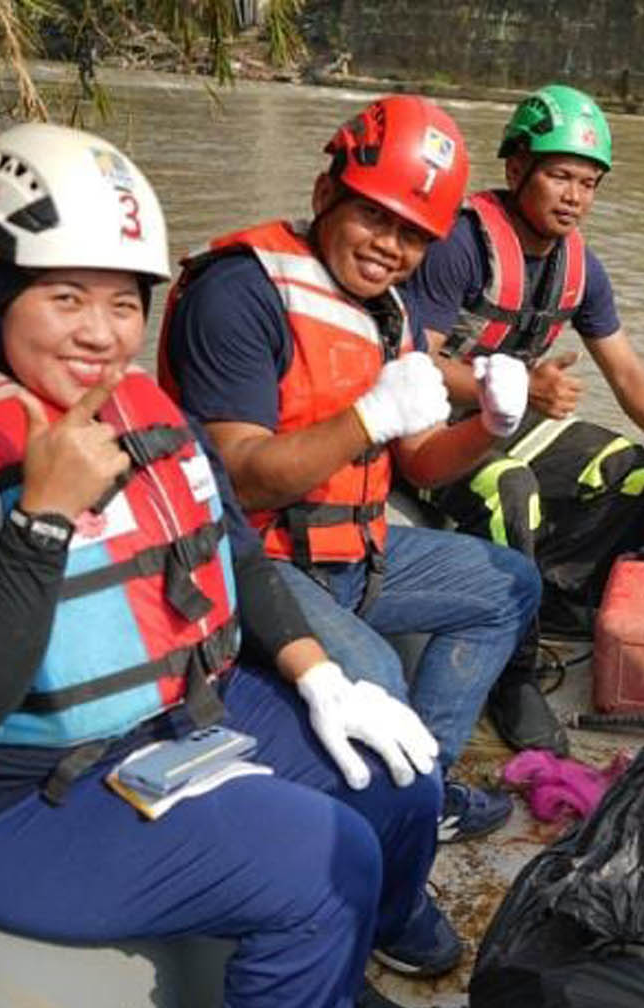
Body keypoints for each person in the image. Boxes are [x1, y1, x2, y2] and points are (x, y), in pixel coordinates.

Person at [0, 122, 444, 1008]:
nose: (102, 334)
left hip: (168, 707)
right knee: (321, 860)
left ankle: (337, 973)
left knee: (400, 782)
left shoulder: (135, 400)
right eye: (65, 297)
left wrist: (318, 674)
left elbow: (228, 546)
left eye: (126, 303)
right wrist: (41, 519)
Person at [159, 96, 543, 865]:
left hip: (354, 553)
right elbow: (239, 481)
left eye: (413, 236)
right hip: (254, 565)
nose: (389, 248)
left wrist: (490, 427)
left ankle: (417, 791)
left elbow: (420, 462)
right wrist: (367, 417)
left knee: (509, 585)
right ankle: (384, 830)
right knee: (369, 680)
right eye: (376, 217)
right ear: (325, 192)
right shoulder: (241, 291)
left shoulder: (390, 310)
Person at [403, 83, 644, 753]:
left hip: (507, 419)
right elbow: (414, 362)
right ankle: (512, 672)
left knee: (629, 471)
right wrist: (515, 387)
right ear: (517, 168)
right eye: (559, 174)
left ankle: (545, 599)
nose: (575, 196)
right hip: (429, 434)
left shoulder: (581, 267)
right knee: (511, 491)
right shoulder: (461, 245)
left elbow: (627, 372)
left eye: (589, 182)